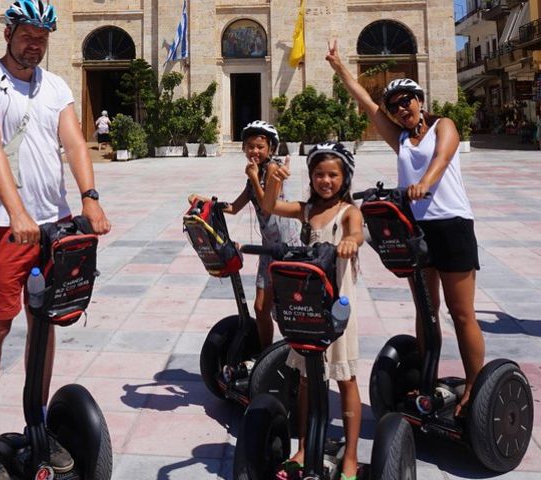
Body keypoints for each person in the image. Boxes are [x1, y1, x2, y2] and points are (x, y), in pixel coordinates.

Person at [0, 0, 111, 477]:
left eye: (43, 36)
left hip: (56, 227)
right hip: (6, 228)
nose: (35, 43)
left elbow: (74, 142)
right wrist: (18, 212)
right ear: (9, 32)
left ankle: (37, 422)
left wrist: (89, 198)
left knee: (44, 327)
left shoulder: (58, 86)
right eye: (28, 33)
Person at [326, 39, 483, 418]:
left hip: (453, 225)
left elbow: (443, 158)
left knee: (461, 313)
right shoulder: (399, 138)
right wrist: (338, 65)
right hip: (417, 230)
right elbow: (365, 101)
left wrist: (425, 182)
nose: (401, 109)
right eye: (395, 107)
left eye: (406, 101)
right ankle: (426, 378)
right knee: (426, 309)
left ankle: (476, 386)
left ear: (419, 100)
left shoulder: (443, 125)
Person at [261, 142, 364, 480]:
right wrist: (273, 178)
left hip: (337, 309)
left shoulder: (348, 211)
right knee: (306, 379)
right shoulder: (306, 211)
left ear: (344, 178)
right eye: (319, 174)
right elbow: (269, 205)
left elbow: (356, 232)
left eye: (333, 174)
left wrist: (350, 241)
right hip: (308, 307)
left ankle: (350, 455)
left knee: (345, 378)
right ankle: (304, 446)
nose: (325, 180)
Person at [188, 120, 300, 351]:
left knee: (289, 308)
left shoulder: (272, 170)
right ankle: (264, 354)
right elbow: (234, 207)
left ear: (271, 148)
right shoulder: (255, 173)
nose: (255, 151)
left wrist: (252, 178)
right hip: (269, 248)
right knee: (261, 308)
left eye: (260, 146)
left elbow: (267, 205)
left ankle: (299, 353)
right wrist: (205, 201)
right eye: (250, 146)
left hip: (287, 248)